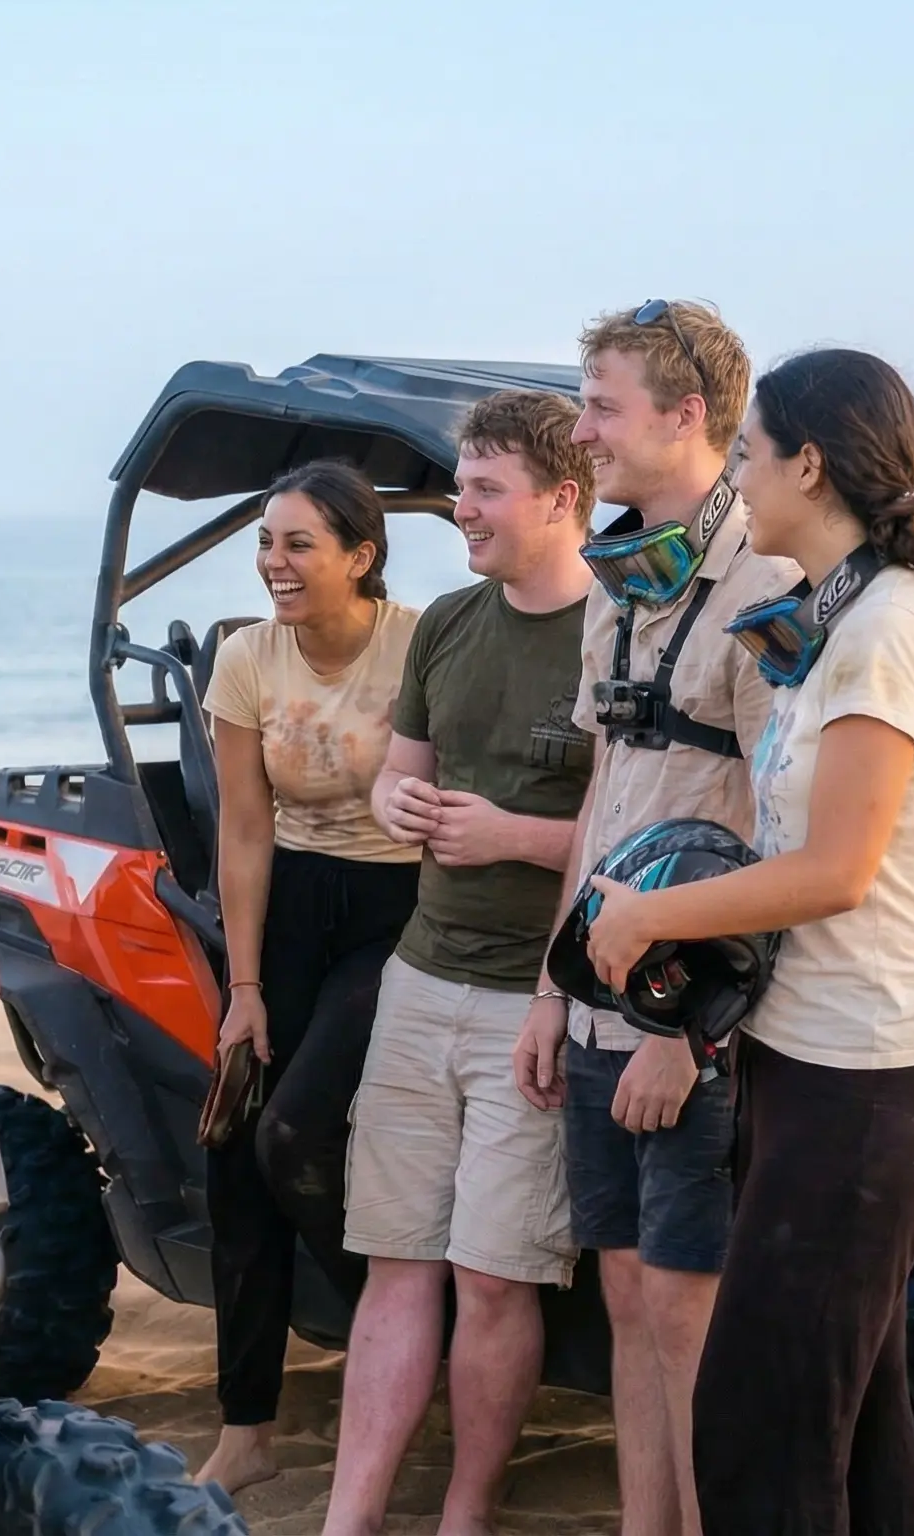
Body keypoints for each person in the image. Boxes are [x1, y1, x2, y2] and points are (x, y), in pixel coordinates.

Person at [581, 349, 914, 1534]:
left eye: (750, 454)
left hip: (872, 1085)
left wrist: (651, 913)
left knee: (761, 1429)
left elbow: (834, 872)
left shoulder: (884, 634)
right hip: (818, 1071)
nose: (737, 480)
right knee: (856, 1434)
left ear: (809, 464)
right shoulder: (841, 617)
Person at [521, 299, 799, 1536]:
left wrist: (678, 1032)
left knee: (689, 1309)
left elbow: (775, 823)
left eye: (600, 408)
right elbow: (606, 786)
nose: (579, 434)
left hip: (693, 1016)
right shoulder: (618, 570)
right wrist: (551, 991)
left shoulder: (770, 583)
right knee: (627, 1294)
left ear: (687, 417)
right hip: (594, 1005)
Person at [325, 390, 597, 1536]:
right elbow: (399, 771)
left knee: (494, 1274)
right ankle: (348, 1518)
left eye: (484, 488)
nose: (458, 507)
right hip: (419, 978)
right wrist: (400, 801)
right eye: (459, 483)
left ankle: (465, 1515)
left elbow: (644, 825)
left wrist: (514, 838)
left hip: (535, 1003)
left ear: (562, 500)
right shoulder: (444, 621)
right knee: (397, 1260)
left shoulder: (620, 633)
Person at [193, 460, 423, 1496]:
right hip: (285, 905)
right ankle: (246, 1425)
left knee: (298, 1132)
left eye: (298, 545)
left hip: (399, 910)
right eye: (266, 544)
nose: (273, 564)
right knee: (237, 1145)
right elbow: (243, 829)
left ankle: (403, 1327)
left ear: (360, 556)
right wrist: (242, 988)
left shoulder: (421, 641)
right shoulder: (247, 657)